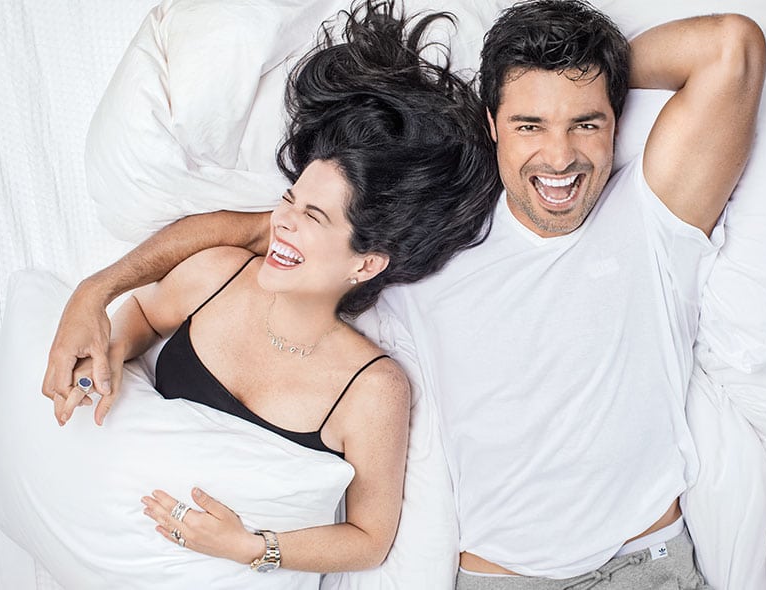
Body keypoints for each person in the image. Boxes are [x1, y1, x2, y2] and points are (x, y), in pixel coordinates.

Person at [43, 0, 766, 587]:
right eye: (529, 124)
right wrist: (95, 293)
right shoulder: (429, 238)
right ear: (493, 125)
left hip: (648, 565)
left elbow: (732, 46)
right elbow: (258, 233)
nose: (559, 156)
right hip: (502, 580)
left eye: (587, 123)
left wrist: (581, 78)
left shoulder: (653, 218)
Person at [39, 0, 500, 578]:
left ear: (366, 263)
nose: (282, 222)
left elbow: (370, 539)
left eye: (313, 216)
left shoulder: (373, 390)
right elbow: (145, 319)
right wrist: (107, 351)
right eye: (289, 199)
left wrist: (253, 547)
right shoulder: (218, 275)